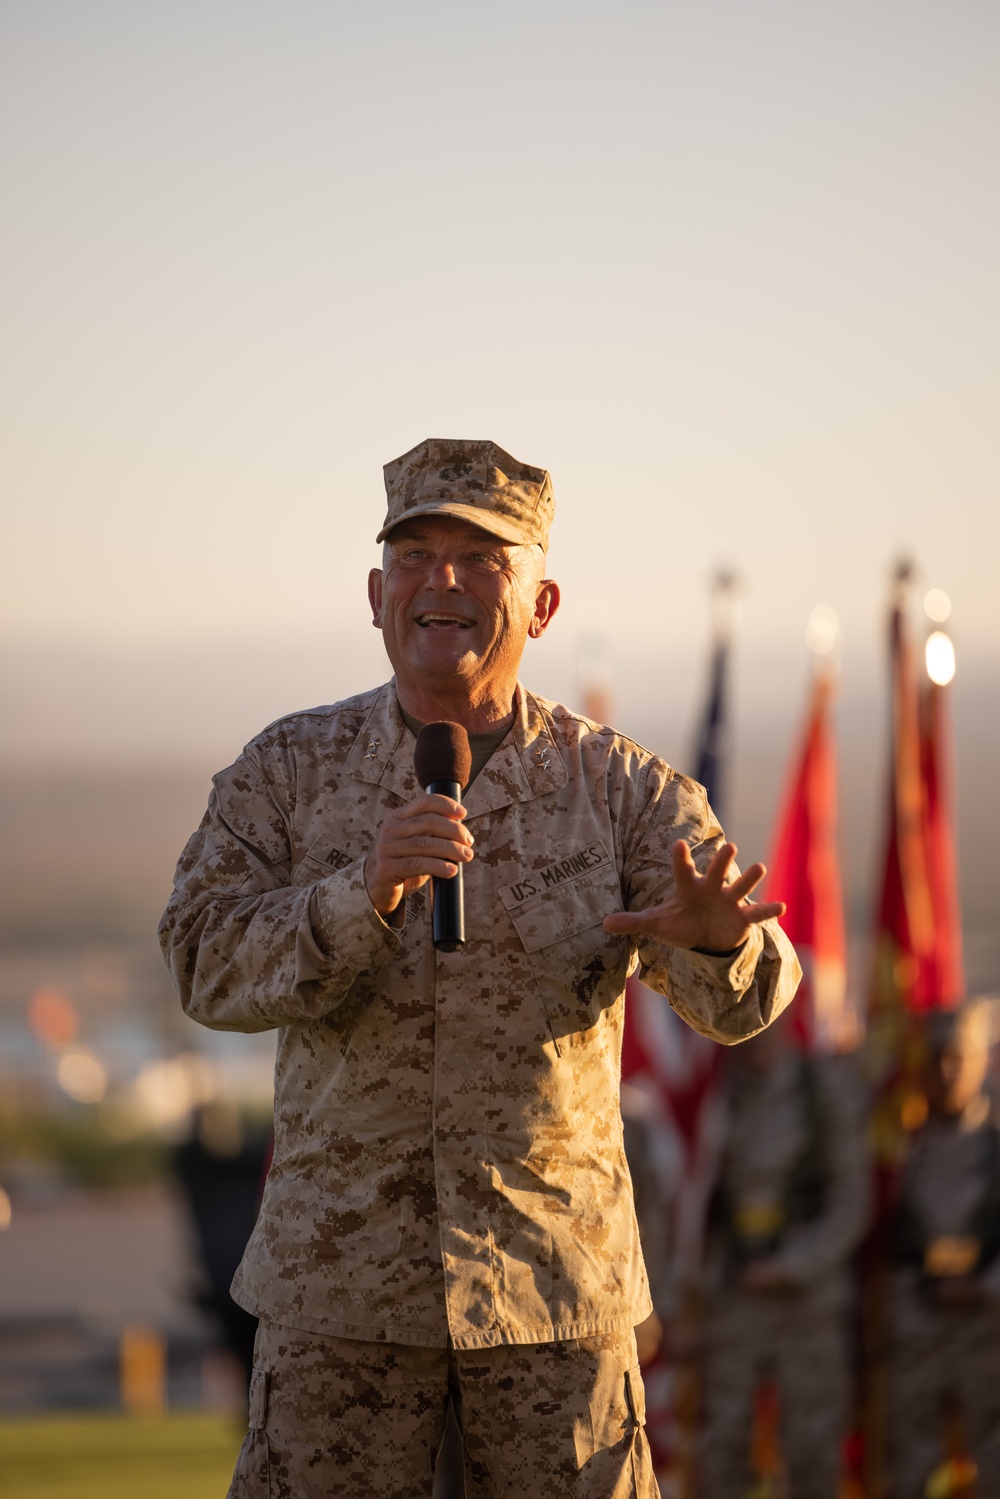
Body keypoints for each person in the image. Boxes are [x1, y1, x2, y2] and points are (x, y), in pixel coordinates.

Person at [158, 438, 801, 1499]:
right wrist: (351, 897)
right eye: (415, 552)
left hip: (549, 1299)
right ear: (375, 594)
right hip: (341, 1299)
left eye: (482, 558)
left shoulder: (623, 790)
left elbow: (750, 998)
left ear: (541, 603)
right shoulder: (287, 770)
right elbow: (202, 961)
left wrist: (721, 941)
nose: (442, 579)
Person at [697, 1011, 869, 1498]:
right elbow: (699, 1202)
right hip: (736, 1299)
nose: (755, 1028)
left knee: (813, 1450)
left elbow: (851, 1204)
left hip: (808, 1304)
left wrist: (793, 1266)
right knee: (725, 1448)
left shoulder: (827, 1094)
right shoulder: (715, 1096)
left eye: (763, 1012)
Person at [887, 1000, 1000, 1496]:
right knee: (910, 1470)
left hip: (988, 1338)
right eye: (936, 1057)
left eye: (959, 1056)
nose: (948, 1070)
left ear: (984, 1061)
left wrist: (986, 1284)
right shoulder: (897, 1148)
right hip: (918, 1334)